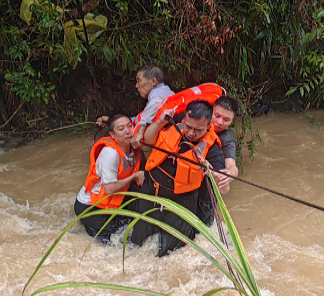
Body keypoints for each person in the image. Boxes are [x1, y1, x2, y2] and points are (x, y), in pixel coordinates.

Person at [130, 99, 225, 256]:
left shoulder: (213, 151)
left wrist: (210, 171)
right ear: (184, 120)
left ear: (208, 126)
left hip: (181, 204)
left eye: (198, 129)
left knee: (170, 254)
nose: (191, 133)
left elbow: (224, 188)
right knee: (137, 243)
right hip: (152, 192)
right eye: (188, 126)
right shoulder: (171, 122)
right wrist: (160, 121)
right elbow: (148, 141)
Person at [75, 114, 145, 242]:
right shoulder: (110, 154)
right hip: (90, 207)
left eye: (130, 126)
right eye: (121, 129)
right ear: (112, 135)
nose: (127, 131)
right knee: (120, 237)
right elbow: (110, 189)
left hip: (107, 203)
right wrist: (134, 176)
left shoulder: (134, 150)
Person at [96, 65, 174, 146]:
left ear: (153, 81)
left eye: (139, 80)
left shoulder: (157, 94)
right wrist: (110, 121)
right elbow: (139, 118)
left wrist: (140, 132)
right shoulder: (166, 92)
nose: (136, 86)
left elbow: (155, 102)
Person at [196, 94, 239, 226]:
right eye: (217, 116)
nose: (220, 122)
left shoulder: (226, 139)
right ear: (211, 111)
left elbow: (231, 165)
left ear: (232, 120)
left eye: (226, 120)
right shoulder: (195, 121)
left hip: (206, 194)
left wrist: (230, 174)